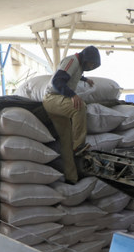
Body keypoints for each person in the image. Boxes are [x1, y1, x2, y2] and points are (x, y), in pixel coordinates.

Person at [43, 46, 101, 183]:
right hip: (52, 99)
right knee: (79, 106)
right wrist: (72, 95)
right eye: (91, 63)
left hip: (55, 102)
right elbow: (57, 80)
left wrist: (85, 80)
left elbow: (72, 75)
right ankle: (79, 145)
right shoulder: (72, 60)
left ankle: (71, 178)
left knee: (66, 142)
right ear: (86, 58)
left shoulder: (77, 65)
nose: (91, 66)